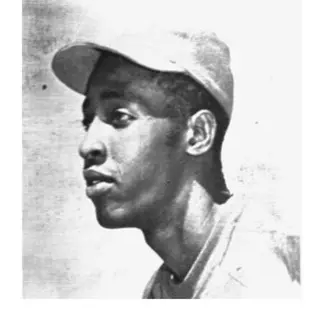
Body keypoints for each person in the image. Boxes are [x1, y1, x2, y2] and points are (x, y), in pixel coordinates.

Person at [51, 29, 300, 298]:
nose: (87, 146)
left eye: (120, 116)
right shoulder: (164, 289)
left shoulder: (272, 274)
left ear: (198, 134)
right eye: (88, 122)